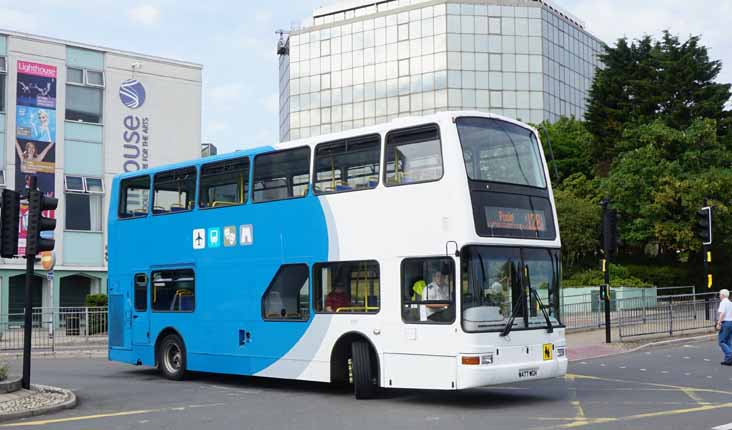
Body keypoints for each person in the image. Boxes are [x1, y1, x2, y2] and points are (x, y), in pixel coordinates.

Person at [717, 289, 732, 365]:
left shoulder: (723, 302)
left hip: (725, 323)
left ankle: (729, 355)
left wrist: (719, 323)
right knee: (729, 341)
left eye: (719, 294)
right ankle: (728, 360)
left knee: (721, 341)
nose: (719, 296)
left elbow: (722, 314)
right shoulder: (730, 302)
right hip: (731, 322)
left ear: (722, 295)